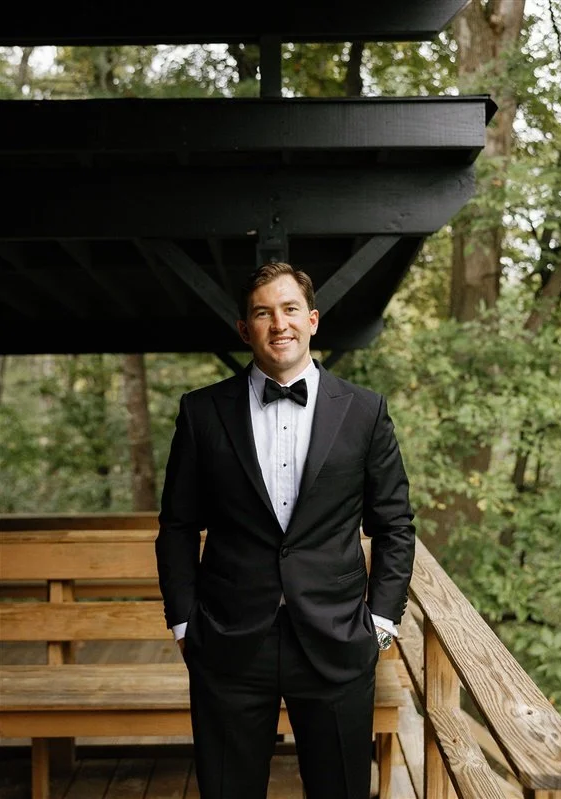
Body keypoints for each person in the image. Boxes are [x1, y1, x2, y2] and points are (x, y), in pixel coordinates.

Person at [155, 262, 415, 799]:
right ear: (244, 328)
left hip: (338, 639)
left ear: (313, 320)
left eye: (290, 309)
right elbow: (177, 527)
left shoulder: (365, 412)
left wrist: (382, 623)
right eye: (263, 312)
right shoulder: (202, 413)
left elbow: (394, 524)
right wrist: (184, 625)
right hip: (228, 642)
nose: (280, 323)